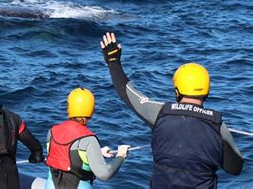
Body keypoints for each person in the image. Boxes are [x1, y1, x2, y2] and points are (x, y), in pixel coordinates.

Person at [100, 32, 244, 188]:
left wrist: (113, 60)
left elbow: (126, 92)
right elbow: (235, 168)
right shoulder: (217, 125)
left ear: (177, 91)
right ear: (207, 91)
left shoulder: (160, 113)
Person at [45, 87, 130, 189]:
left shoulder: (52, 132)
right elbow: (104, 174)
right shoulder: (89, 140)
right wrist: (121, 155)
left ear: (69, 107)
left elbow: (65, 155)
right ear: (92, 109)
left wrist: (96, 153)